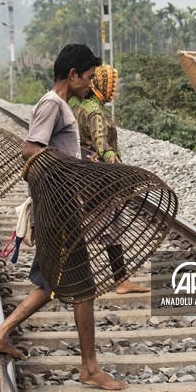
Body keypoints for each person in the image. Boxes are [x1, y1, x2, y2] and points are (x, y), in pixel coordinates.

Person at [0, 44, 128, 391]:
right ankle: (90, 369)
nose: (91, 84)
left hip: (59, 207)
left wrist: (82, 167)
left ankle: (0, 335)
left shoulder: (61, 105)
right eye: (88, 77)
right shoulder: (52, 104)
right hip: (59, 212)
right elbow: (31, 151)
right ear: (73, 75)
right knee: (83, 289)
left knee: (48, 285)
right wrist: (74, 169)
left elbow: (50, 153)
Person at [68, 64, 150, 295]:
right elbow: (100, 142)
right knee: (101, 227)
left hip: (87, 176)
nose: (114, 89)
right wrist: (113, 160)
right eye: (112, 84)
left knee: (110, 228)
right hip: (100, 179)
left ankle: (121, 279)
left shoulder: (82, 106)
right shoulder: (94, 111)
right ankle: (70, 277)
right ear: (103, 85)